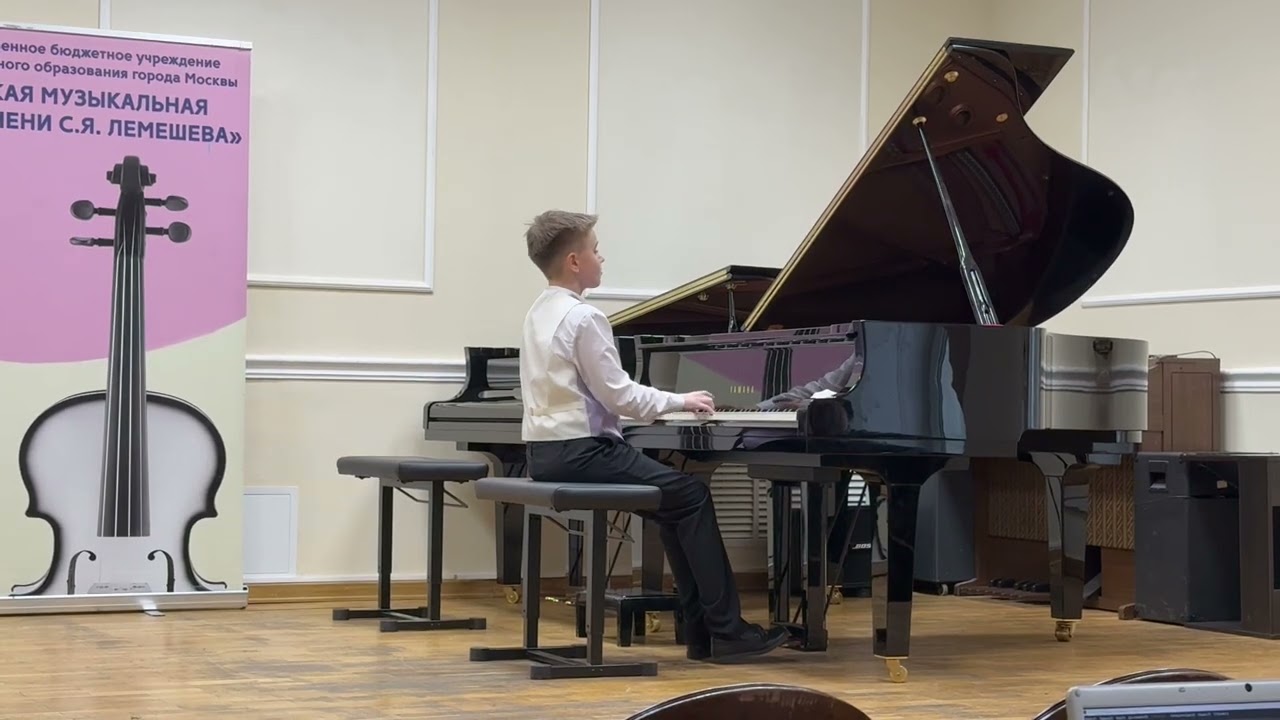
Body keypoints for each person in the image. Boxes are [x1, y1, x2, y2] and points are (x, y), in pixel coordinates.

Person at [517, 209, 789, 663]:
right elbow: (620, 395)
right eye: (595, 249)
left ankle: (703, 634)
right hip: (584, 452)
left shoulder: (538, 312)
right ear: (574, 262)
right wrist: (680, 400)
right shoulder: (584, 318)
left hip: (545, 453)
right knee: (692, 497)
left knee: (674, 505)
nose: (602, 257)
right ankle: (726, 632)